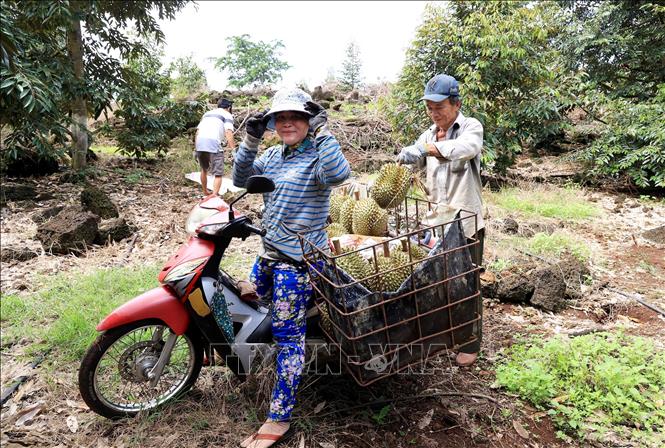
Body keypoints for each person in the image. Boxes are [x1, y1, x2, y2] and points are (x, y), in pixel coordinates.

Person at [233, 87, 350, 448]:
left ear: (306, 121)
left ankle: (279, 417)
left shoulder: (317, 155)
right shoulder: (272, 156)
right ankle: (251, 363)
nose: (287, 123)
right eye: (279, 118)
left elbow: (339, 174)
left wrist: (323, 131)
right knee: (246, 308)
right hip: (269, 254)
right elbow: (240, 179)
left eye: (295, 117)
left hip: (297, 264)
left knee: (288, 339)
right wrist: (250, 140)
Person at [396, 73, 485, 367]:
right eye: (429, 108)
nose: (434, 114)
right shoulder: (428, 134)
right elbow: (419, 157)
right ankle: (442, 334)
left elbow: (464, 150)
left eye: (440, 108)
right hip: (436, 223)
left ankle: (470, 342)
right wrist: (407, 158)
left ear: (456, 104)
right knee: (438, 282)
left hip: (465, 222)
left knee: (467, 284)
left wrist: (426, 149)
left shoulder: (471, 127)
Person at [194, 98, 236, 196]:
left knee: (204, 169)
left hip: (200, 142)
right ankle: (214, 195)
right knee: (218, 173)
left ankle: (205, 192)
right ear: (229, 107)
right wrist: (234, 150)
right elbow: (228, 132)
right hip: (213, 143)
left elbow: (198, 131)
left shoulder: (207, 114)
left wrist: (196, 148)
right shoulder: (227, 115)